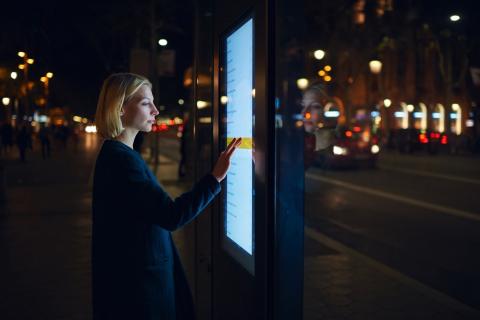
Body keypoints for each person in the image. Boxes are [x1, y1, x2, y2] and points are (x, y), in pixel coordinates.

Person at [91, 73, 241, 320]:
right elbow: (172, 215)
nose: (155, 110)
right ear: (120, 109)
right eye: (144, 103)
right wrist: (215, 178)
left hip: (134, 282)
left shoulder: (118, 155)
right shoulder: (121, 160)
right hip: (139, 291)